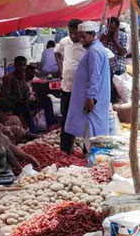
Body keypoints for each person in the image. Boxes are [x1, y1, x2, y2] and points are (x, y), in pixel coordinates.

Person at [64, 21, 112, 150]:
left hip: (94, 98)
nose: (81, 40)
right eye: (80, 36)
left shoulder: (94, 51)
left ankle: (94, 156)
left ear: (93, 35)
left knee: (92, 130)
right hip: (96, 96)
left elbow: (94, 76)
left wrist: (90, 97)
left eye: (84, 37)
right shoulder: (95, 48)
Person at [55, 20, 85, 153]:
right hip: (66, 86)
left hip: (81, 89)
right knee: (66, 117)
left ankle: (85, 149)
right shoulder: (64, 42)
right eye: (71, 33)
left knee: (83, 118)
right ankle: (66, 149)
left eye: (76, 33)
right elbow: (57, 52)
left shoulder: (86, 45)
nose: (73, 36)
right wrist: (61, 67)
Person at [100, 16, 129, 103]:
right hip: (107, 65)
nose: (111, 30)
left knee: (117, 84)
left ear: (117, 27)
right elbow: (101, 48)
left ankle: (117, 99)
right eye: (109, 27)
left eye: (113, 28)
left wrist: (115, 40)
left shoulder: (123, 36)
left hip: (118, 65)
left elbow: (122, 53)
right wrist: (107, 37)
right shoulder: (103, 35)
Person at [1, 56, 33, 127]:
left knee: (47, 100)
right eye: (20, 65)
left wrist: (28, 96)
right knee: (25, 106)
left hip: (24, 102)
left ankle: (51, 124)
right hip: (13, 104)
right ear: (15, 66)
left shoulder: (23, 77)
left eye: (24, 65)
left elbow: (26, 91)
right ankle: (34, 130)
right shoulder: (9, 78)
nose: (22, 67)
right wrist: (17, 99)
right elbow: (5, 95)